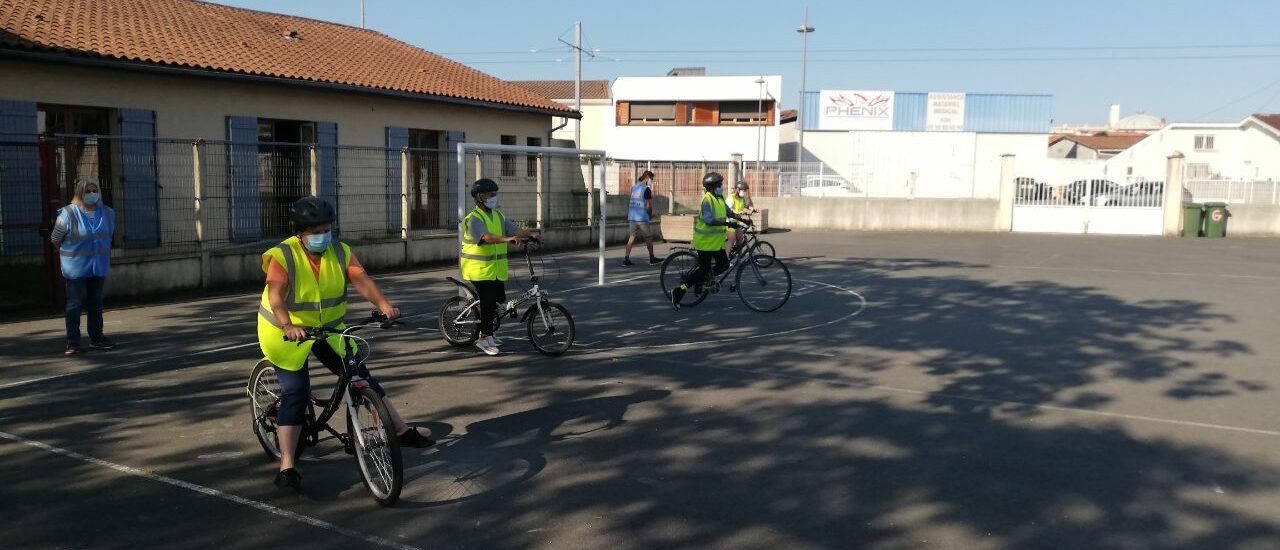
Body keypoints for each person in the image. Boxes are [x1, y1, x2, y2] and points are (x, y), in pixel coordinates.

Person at [258, 196, 434, 492]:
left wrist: (385, 305)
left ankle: (401, 431)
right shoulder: (283, 255)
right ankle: (287, 465)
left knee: (361, 377)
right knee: (296, 393)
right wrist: (288, 324)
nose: (322, 236)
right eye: (315, 231)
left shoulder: (340, 251)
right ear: (300, 232)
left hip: (328, 328)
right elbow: (276, 294)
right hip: (284, 331)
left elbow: (361, 280)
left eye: (326, 229)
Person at [460, 178, 538, 356]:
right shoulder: (473, 219)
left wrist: (532, 235)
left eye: (495, 194)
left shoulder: (498, 215)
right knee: (488, 302)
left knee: (499, 299)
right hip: (477, 269)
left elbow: (515, 230)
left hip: (494, 269)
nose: (493, 197)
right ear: (480, 197)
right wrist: (506, 239)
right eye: (490, 195)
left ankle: (490, 332)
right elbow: (485, 237)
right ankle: (483, 337)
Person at [50, 178, 116, 356]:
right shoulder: (68, 213)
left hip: (98, 267)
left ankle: (97, 338)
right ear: (80, 193)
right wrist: (67, 253)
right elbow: (56, 238)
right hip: (76, 269)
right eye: (88, 191)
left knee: (96, 303)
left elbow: (108, 236)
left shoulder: (108, 213)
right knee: (74, 305)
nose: (92, 194)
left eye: (94, 190)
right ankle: (73, 342)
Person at [671, 173, 750, 310]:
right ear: (713, 187)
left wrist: (743, 219)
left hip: (715, 243)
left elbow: (729, 213)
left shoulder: (719, 198)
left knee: (724, 265)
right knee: (704, 270)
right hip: (705, 243)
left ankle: (701, 280)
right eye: (719, 185)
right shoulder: (707, 200)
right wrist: (728, 224)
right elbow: (709, 220)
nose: (722, 187)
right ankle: (679, 291)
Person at [623, 170, 661, 266]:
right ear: (647, 178)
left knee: (631, 237)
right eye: (651, 179)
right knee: (648, 237)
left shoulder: (634, 187)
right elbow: (648, 205)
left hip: (632, 217)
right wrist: (650, 214)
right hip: (642, 217)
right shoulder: (646, 189)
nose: (652, 181)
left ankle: (626, 259)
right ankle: (652, 258)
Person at [726, 180, 757, 254]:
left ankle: (739, 258)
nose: (745, 192)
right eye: (744, 190)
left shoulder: (741, 198)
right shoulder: (731, 197)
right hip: (729, 221)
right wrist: (738, 212)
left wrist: (751, 208)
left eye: (745, 190)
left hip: (737, 221)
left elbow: (745, 206)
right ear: (738, 190)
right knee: (731, 240)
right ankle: (725, 260)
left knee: (740, 239)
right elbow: (727, 209)